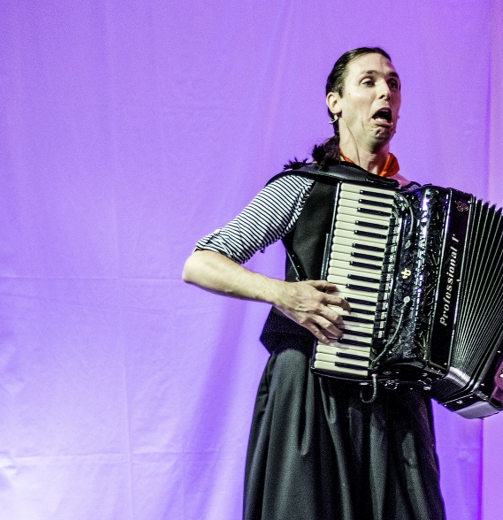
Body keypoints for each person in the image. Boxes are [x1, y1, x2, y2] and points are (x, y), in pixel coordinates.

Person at [182, 47, 445, 520]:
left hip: (395, 406)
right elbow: (201, 262)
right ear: (335, 102)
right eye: (369, 81)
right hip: (308, 392)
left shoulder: (422, 207)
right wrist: (282, 294)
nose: (386, 91)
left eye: (394, 83)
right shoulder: (301, 185)